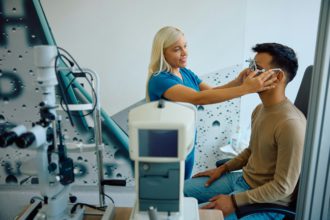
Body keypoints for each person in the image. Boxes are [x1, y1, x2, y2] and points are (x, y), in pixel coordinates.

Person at [183, 42, 306, 219]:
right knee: (180, 192)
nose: (249, 73)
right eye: (250, 66)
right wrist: (224, 168)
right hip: (242, 180)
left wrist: (234, 201)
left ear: (278, 77)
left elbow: (282, 187)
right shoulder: (260, 109)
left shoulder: (290, 124)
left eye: (257, 68)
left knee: (197, 215)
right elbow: (251, 151)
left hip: (266, 203)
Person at [146, 26, 278, 180]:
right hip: (166, 147)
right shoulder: (160, 80)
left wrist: (238, 82)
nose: (185, 52)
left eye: (185, 46)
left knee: (181, 188)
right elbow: (199, 98)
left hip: (186, 143)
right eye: (177, 49)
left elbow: (210, 92)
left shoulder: (185, 72)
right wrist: (246, 89)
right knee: (167, 192)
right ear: (162, 53)